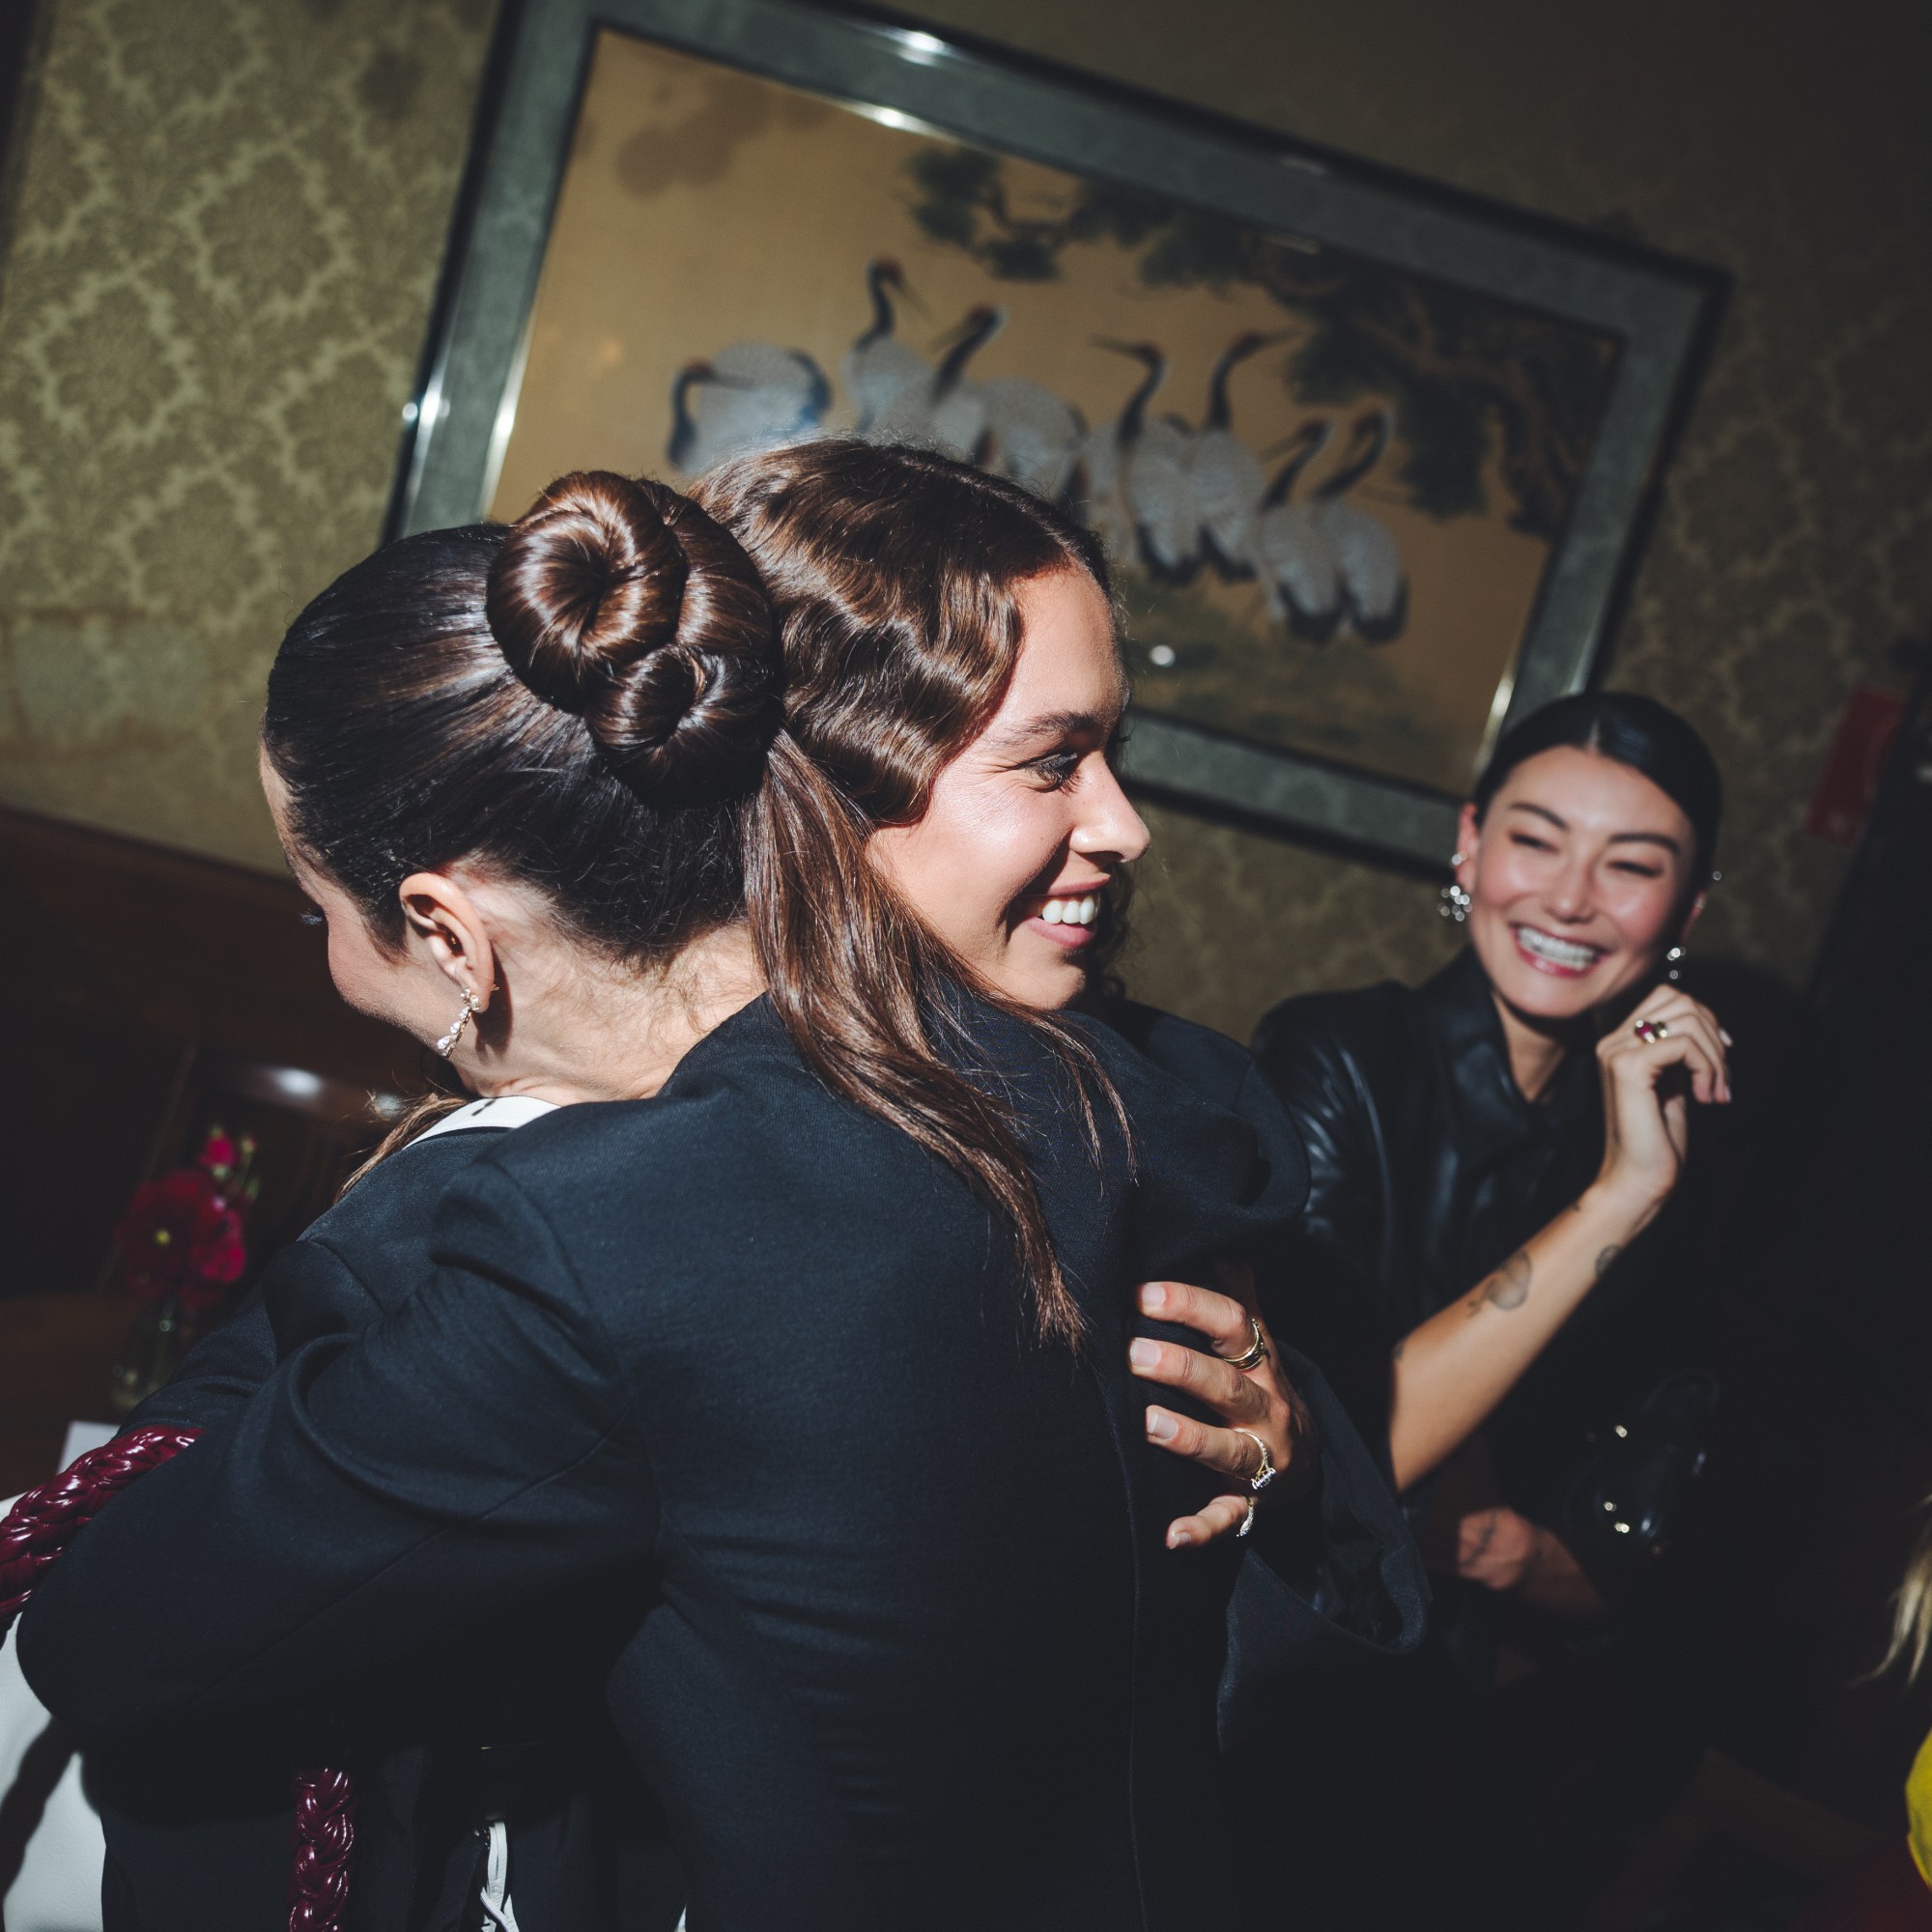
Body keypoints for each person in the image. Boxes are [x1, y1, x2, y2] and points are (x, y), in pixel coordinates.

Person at [19, 445, 1419, 1930]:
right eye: (1052, 759)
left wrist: (452, 1166)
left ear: (446, 930)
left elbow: (106, 1628)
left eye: (320, 910)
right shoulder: (1150, 1099)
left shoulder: (612, 1233)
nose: (1125, 824)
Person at [1239, 690, 1736, 1924]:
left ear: (1686, 911)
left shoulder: (1665, 1143)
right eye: (1535, 840)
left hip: (1478, 1764)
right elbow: (1339, 1447)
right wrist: (1618, 1199)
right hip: (1280, 1707)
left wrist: (1527, 1554)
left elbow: (1640, 1561)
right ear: (1468, 845)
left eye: (1630, 866)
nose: (1567, 899)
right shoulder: (1333, 1059)